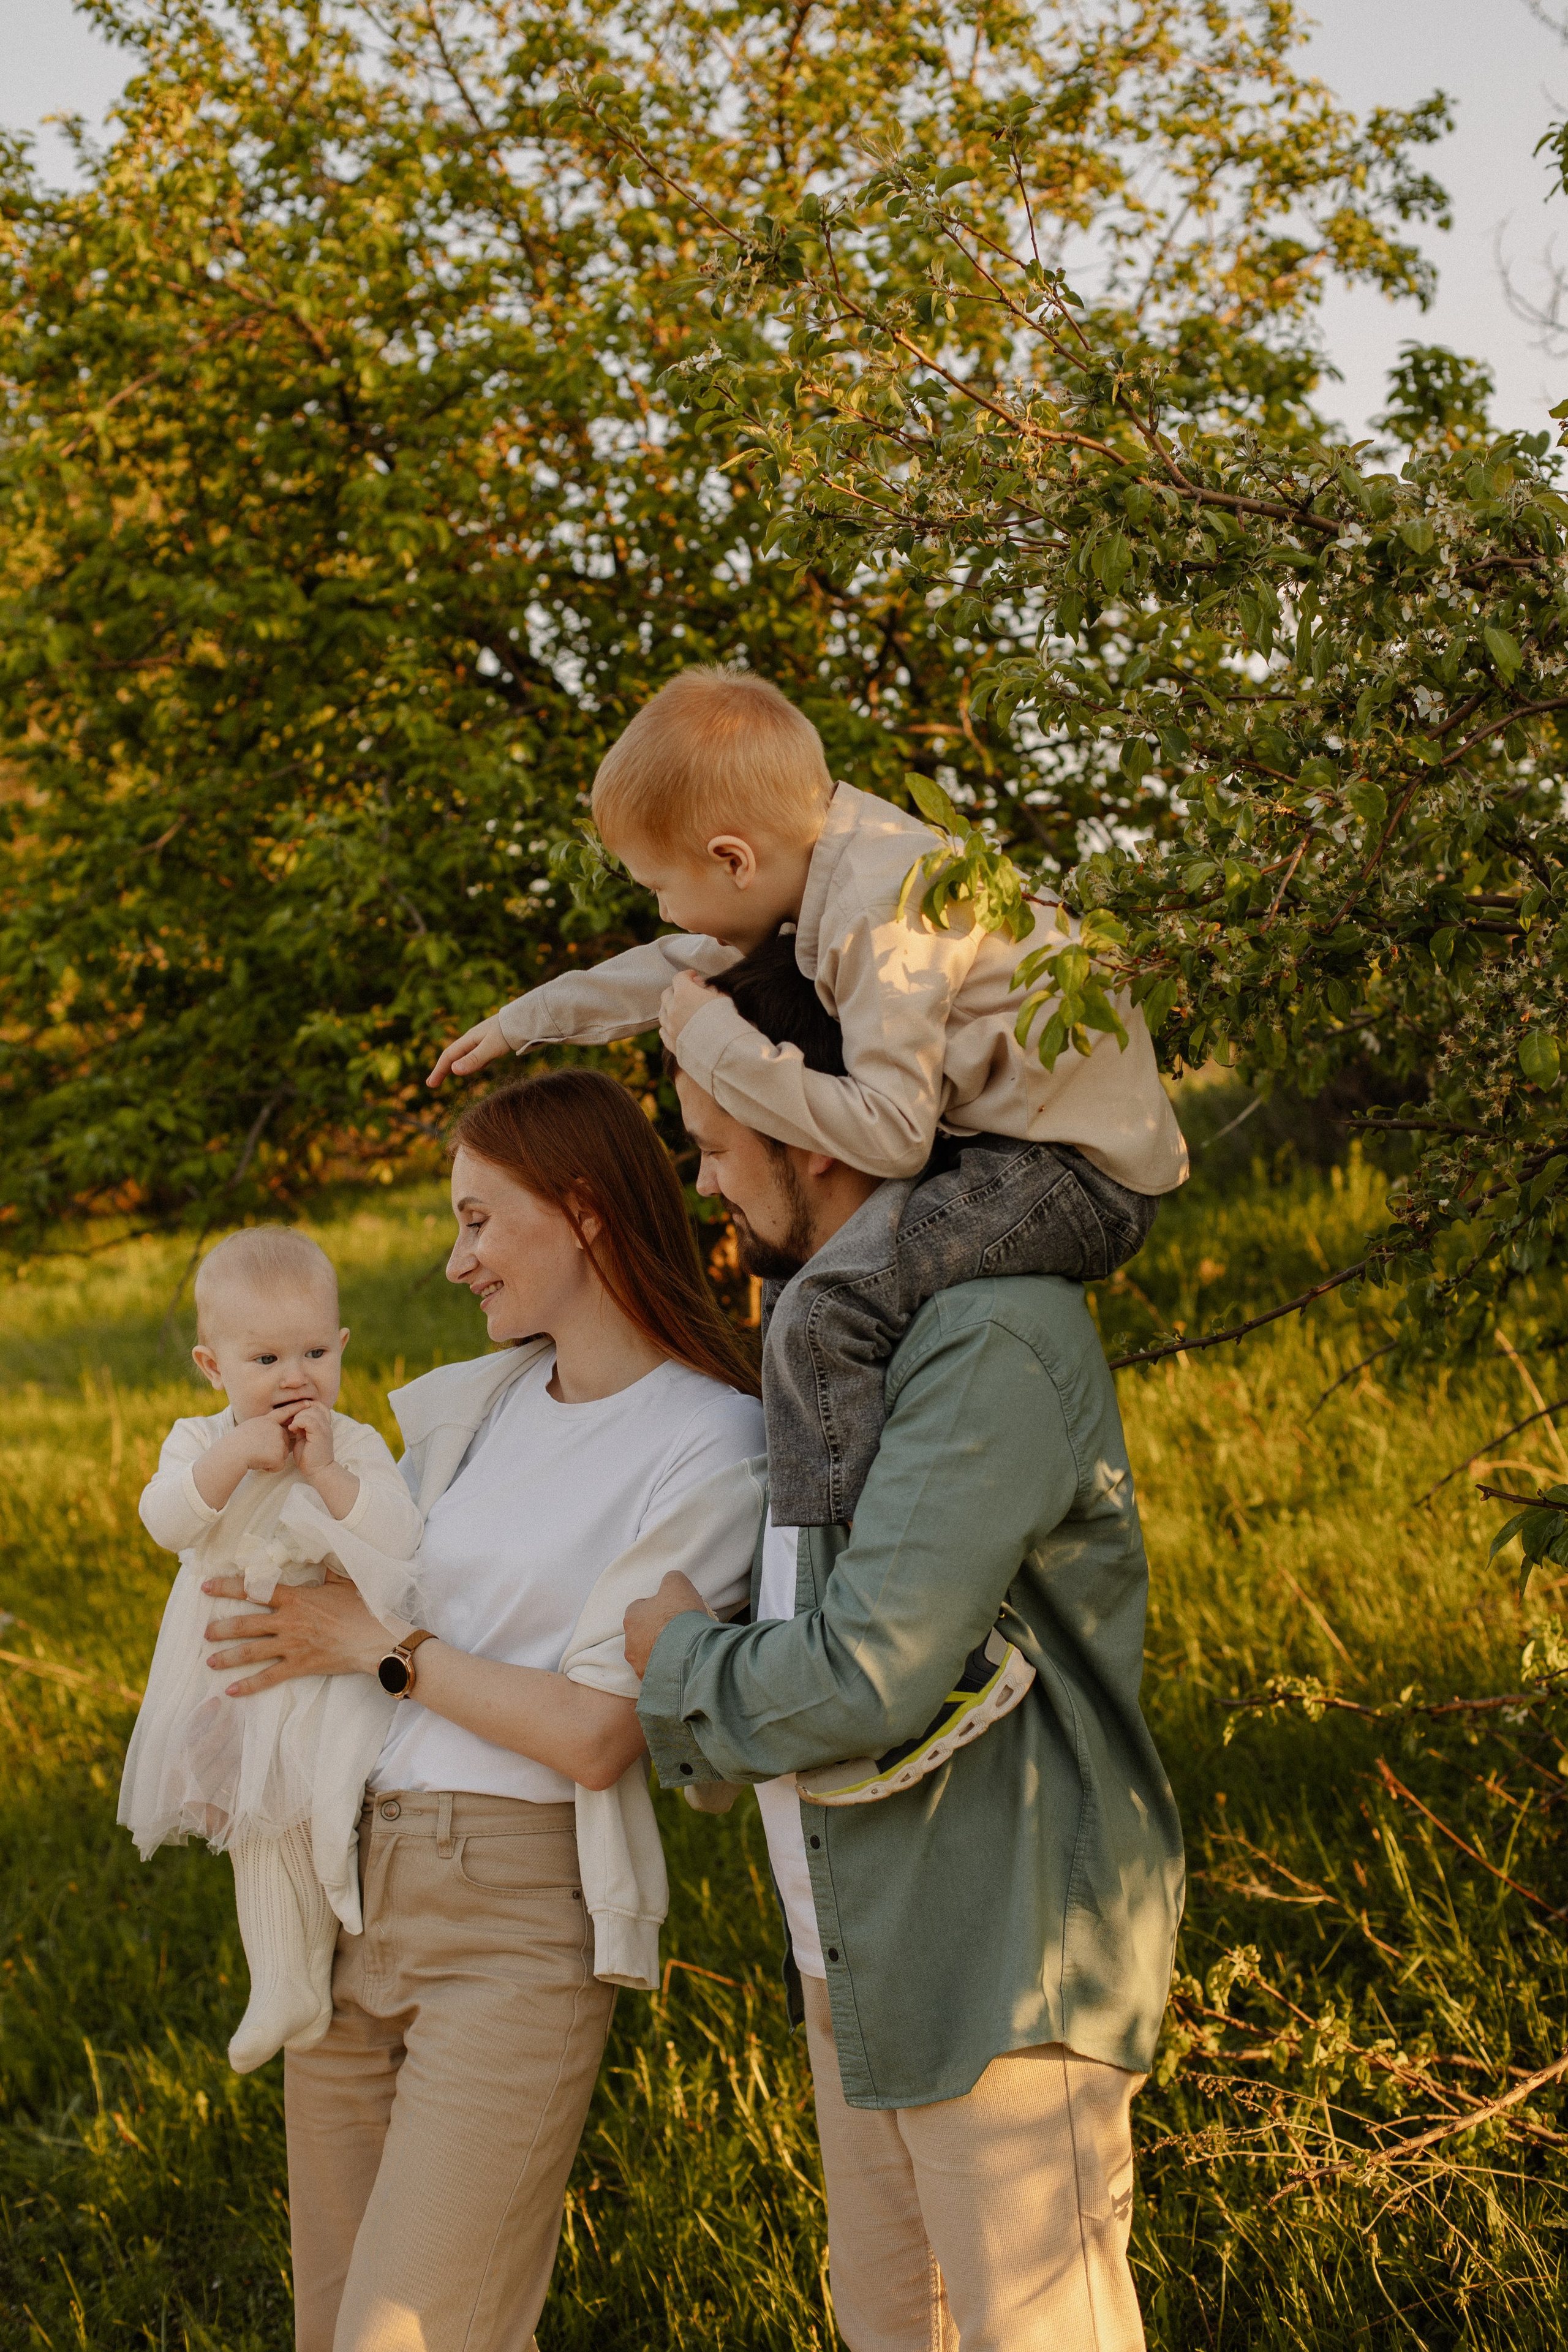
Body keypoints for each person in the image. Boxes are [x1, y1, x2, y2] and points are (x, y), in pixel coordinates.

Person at [428, 666, 1185, 1792]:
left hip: (1071, 1172)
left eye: (661, 888)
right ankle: (804, 1605)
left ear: (732, 859)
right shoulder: (818, 875)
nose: (666, 917)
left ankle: (842, 1624)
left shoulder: (888, 916)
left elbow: (885, 1131)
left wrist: (719, 1045)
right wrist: (528, 1022)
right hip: (1011, 1147)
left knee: (826, 1303)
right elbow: (671, 974)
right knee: (799, 1298)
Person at [624, 970, 1185, 2352]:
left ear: (808, 1132)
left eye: (712, 1144)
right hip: (865, 1944)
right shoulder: (837, 1331)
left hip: (995, 1953)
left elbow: (870, 1670)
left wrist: (680, 1666)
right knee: (893, 2324)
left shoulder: (983, 1335)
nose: (703, 1183)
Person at [196, 1071, 764, 2352]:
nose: (455, 1263)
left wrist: (382, 1646)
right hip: (351, 1894)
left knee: (412, 2332)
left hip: (513, 1915)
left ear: (583, 1212)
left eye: (475, 1221)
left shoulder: (710, 1439)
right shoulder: (481, 1408)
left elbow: (597, 1730)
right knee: (332, 2324)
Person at [120, 1227, 424, 2074]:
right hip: (227, 1666)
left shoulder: (351, 1444)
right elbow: (164, 1520)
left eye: (315, 1351)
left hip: (319, 1665)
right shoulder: (198, 1440)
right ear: (213, 1367)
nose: (296, 1378)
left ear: (342, 1348)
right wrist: (231, 1460)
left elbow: (400, 1539)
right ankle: (282, 1979)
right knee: (242, 1810)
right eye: (265, 1361)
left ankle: (306, 1964)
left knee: (310, 1800)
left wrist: (329, 1478)